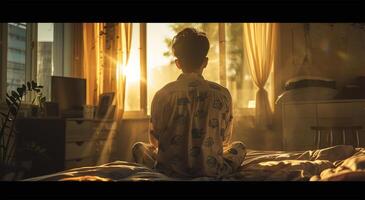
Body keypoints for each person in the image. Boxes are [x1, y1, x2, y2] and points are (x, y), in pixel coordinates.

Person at [132, 28, 246, 178]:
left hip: (169, 170)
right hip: (210, 169)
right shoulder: (222, 94)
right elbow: (225, 139)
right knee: (240, 147)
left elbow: (155, 141)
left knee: (138, 148)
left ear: (178, 63)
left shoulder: (162, 94)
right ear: (205, 62)